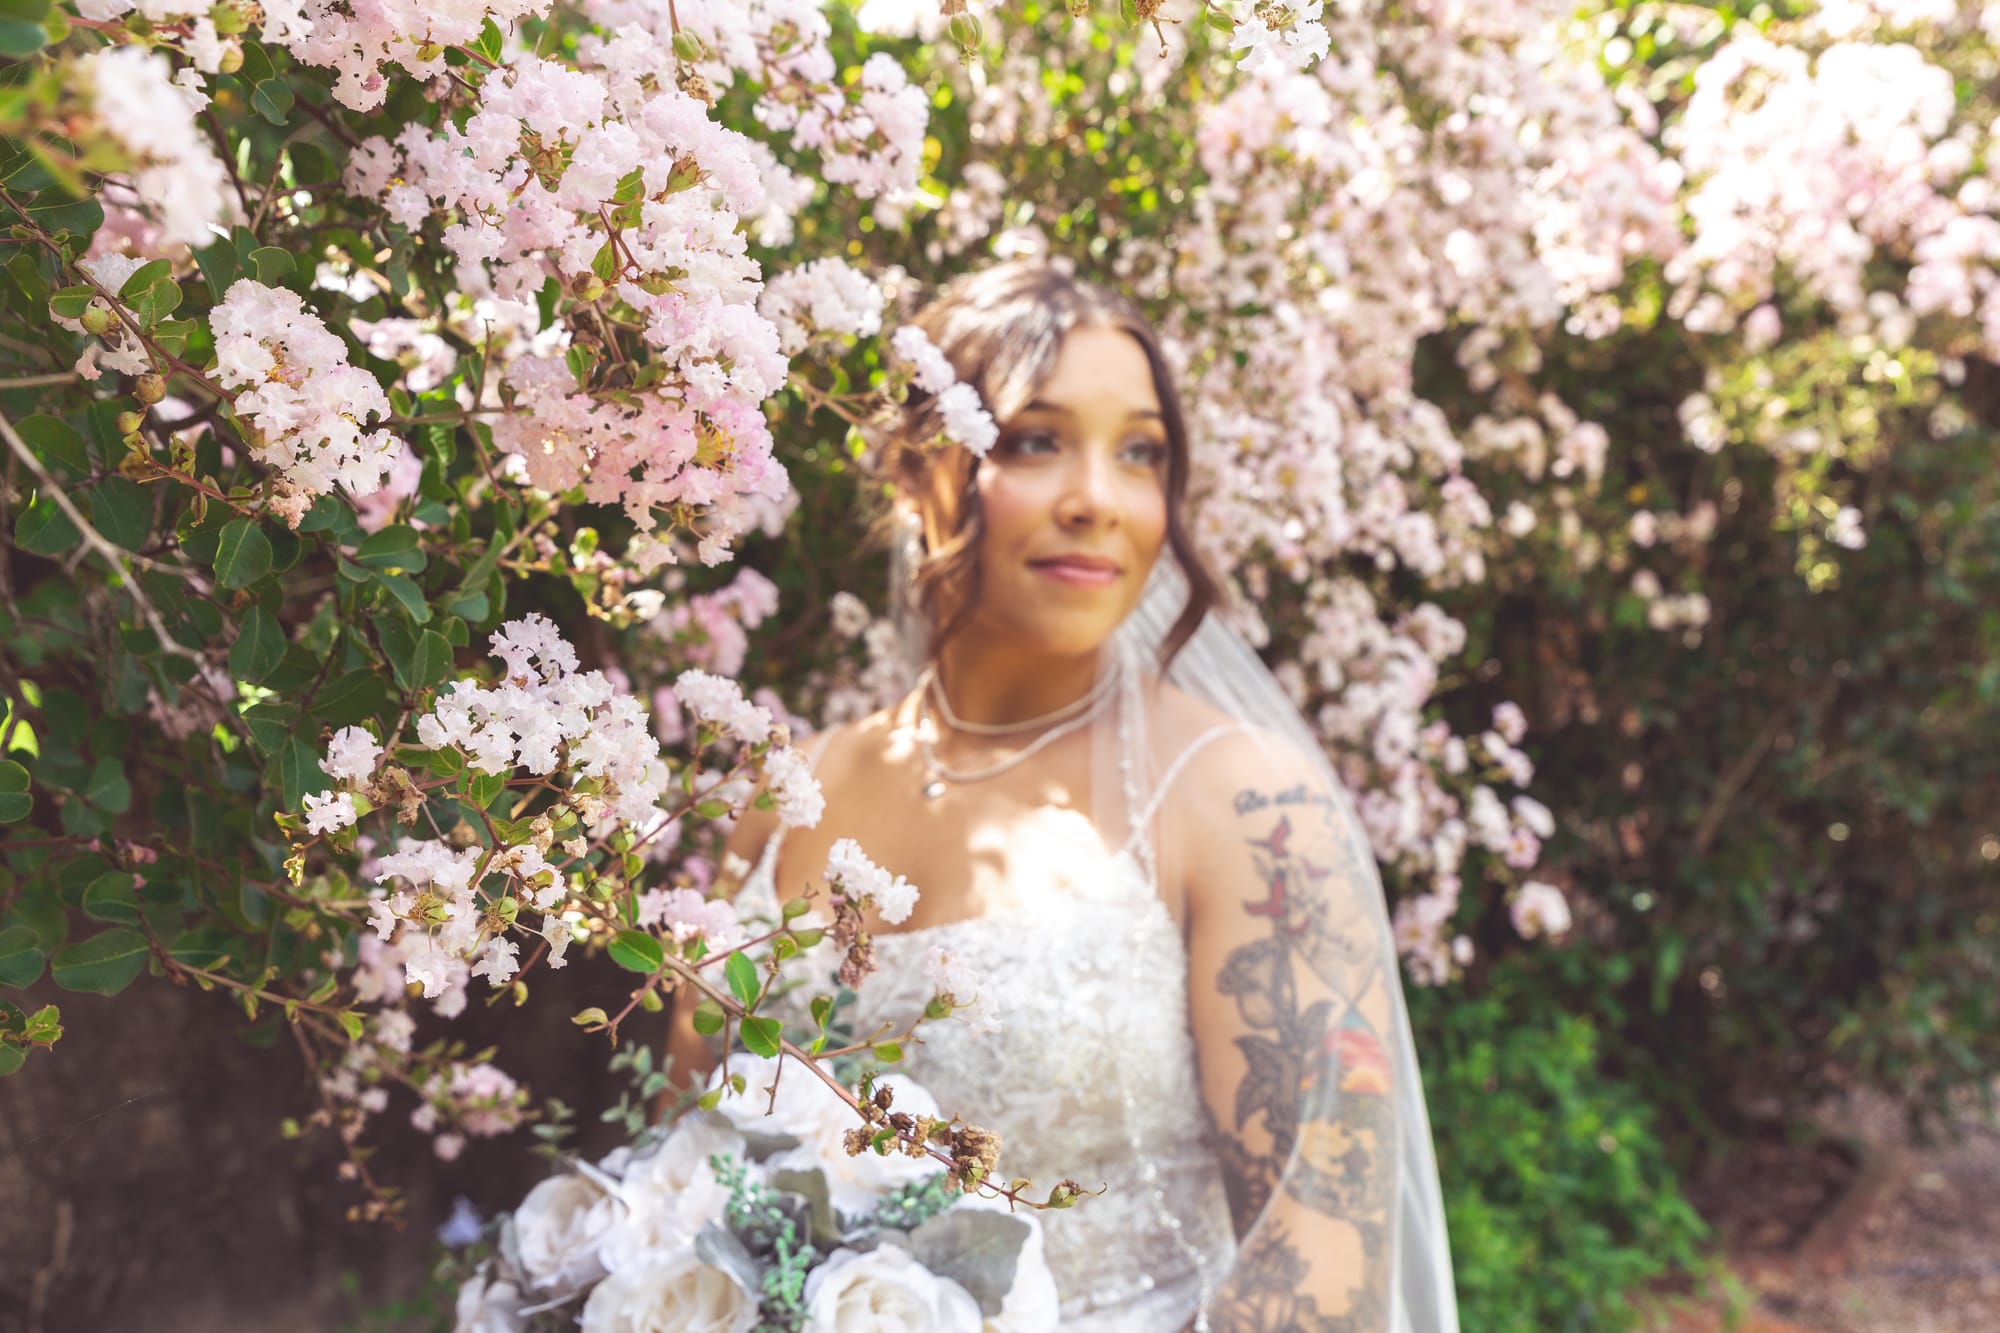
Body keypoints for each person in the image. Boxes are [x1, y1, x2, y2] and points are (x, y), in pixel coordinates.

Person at [666, 259, 1457, 1331]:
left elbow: (1320, 1274)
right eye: (1037, 440)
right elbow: (679, 1177)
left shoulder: (1243, 805)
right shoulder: (778, 801)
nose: (1097, 499)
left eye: (1140, 452)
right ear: (914, 469)